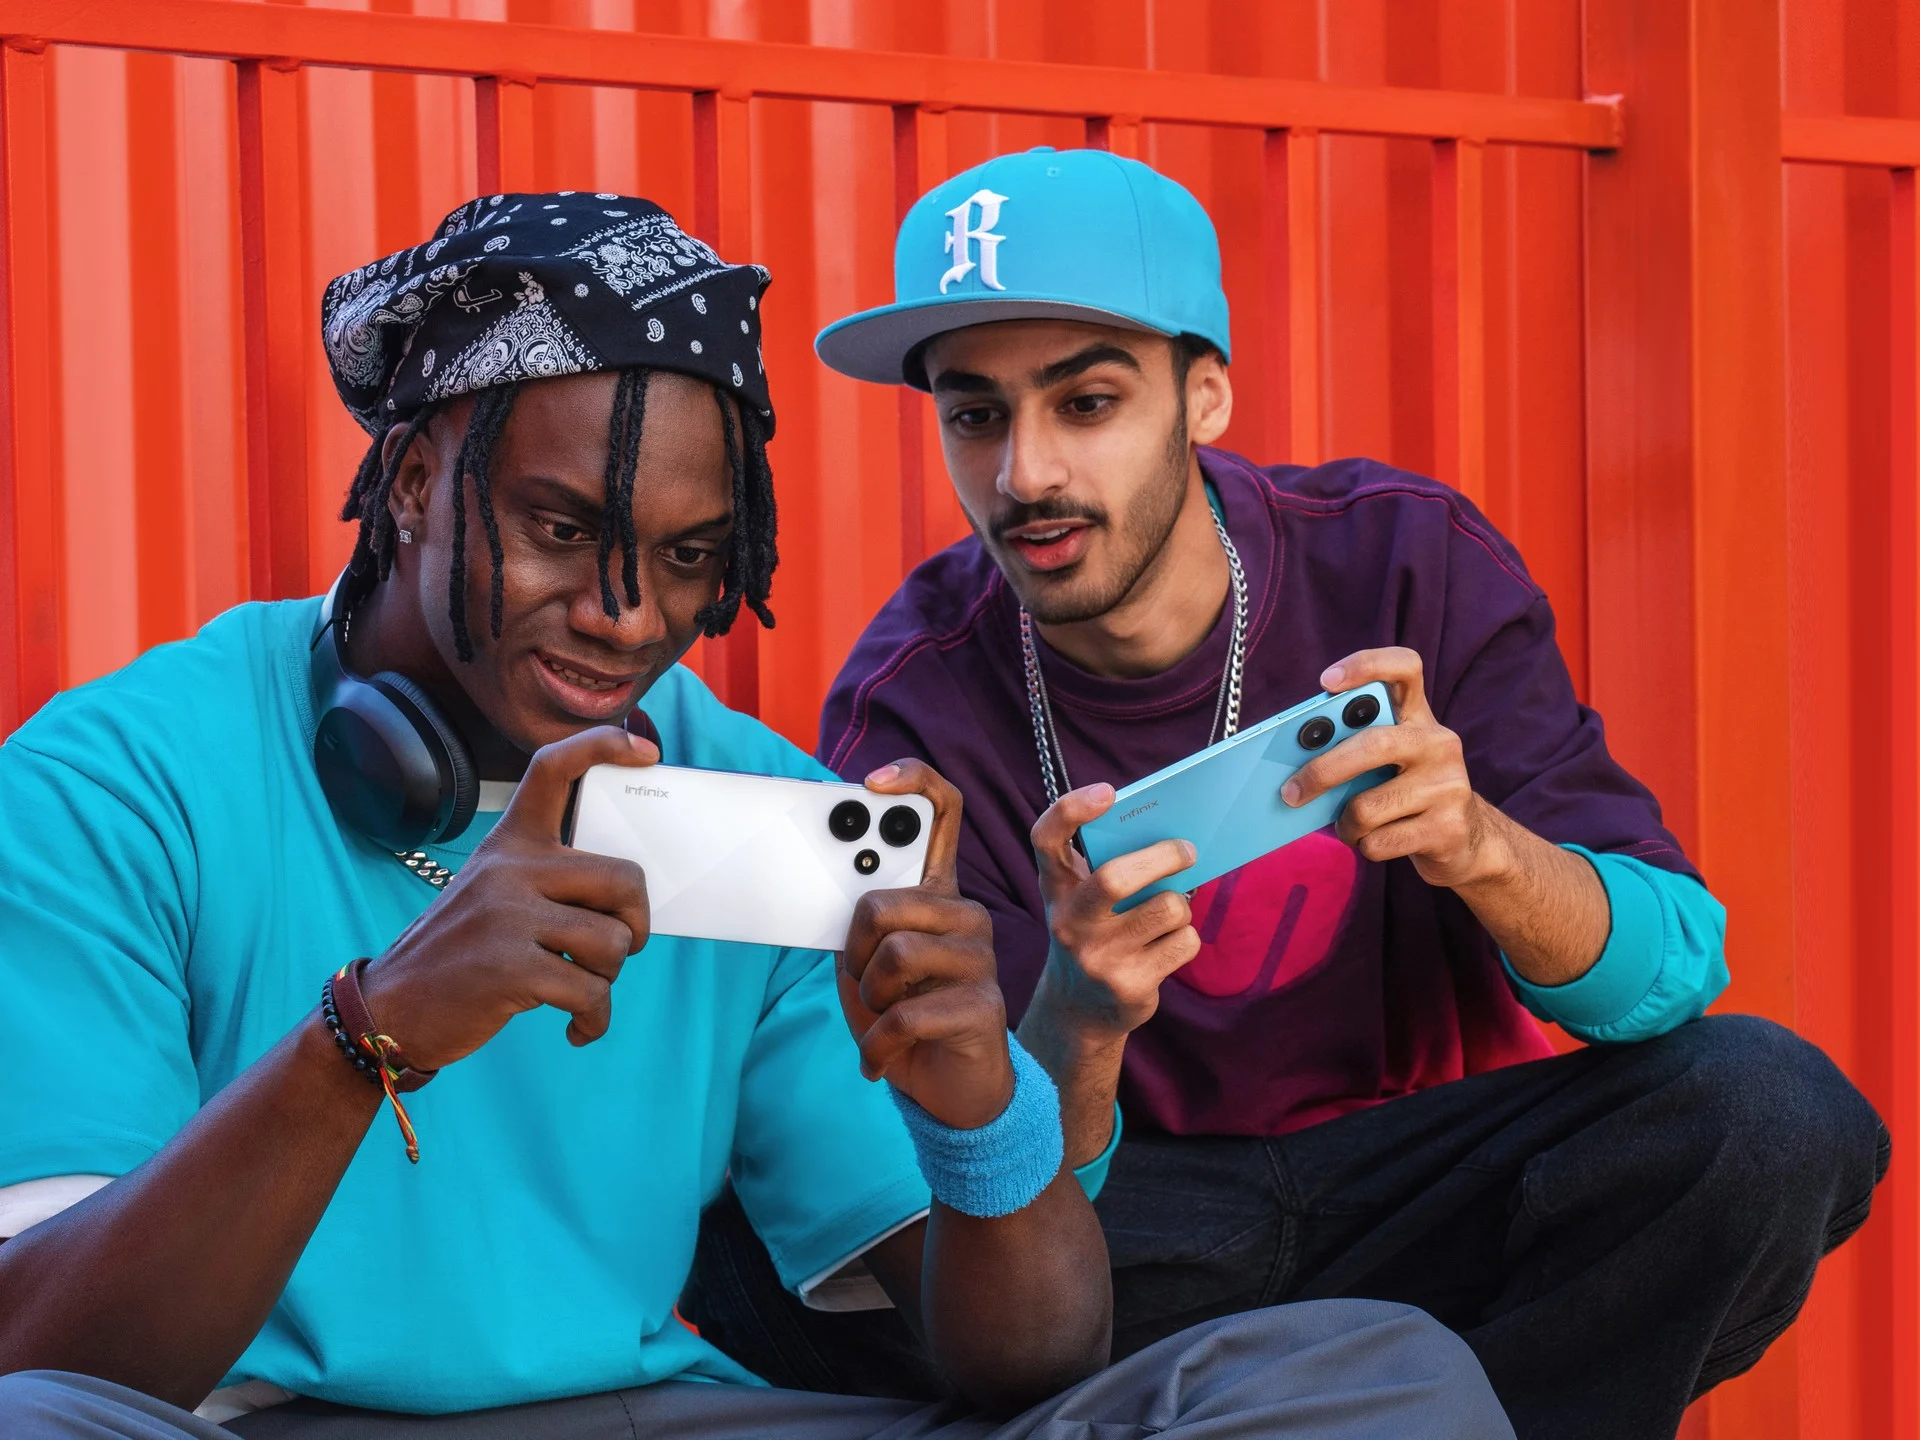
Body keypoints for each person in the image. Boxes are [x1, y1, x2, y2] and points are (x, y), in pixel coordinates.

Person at [0, 192, 1514, 1440]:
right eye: (561, 530)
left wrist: (972, 1098)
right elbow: (47, 1352)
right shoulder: (120, 779)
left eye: (687, 561)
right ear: (409, 482)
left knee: (1379, 1380)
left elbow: (1032, 1365)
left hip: (648, 1415)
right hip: (255, 1428)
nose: (621, 614)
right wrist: (368, 1039)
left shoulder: (766, 809)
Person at [681, 149, 1893, 1440]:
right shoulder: (913, 694)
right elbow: (993, 1195)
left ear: (1206, 396)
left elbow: (1675, 968)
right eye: (976, 415)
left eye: (1086, 403)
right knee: (767, 1226)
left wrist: (1481, 847)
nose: (1023, 473)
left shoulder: (1404, 560)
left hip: (1415, 1191)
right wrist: (1079, 1020)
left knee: (1765, 1110)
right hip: (1131, 1242)